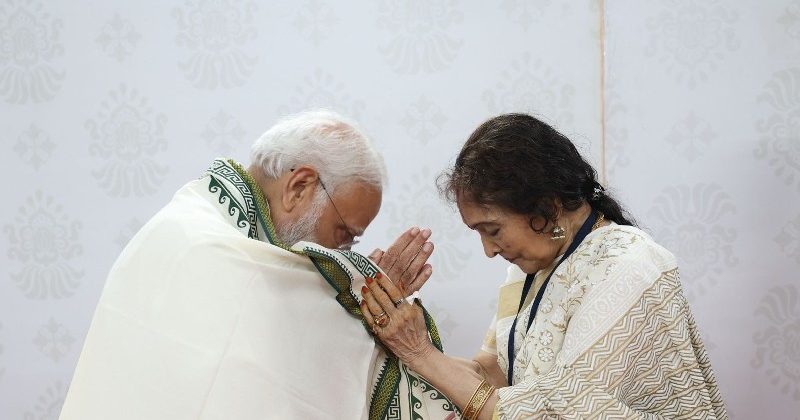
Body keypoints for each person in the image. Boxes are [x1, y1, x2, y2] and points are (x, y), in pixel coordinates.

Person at [59, 109, 453, 419]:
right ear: (300, 186)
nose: (345, 252)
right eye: (343, 232)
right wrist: (368, 301)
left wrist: (362, 295)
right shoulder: (207, 247)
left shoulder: (187, 227)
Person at [361, 113, 728, 419]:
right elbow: (490, 372)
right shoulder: (524, 274)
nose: (489, 250)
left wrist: (420, 354)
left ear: (546, 205)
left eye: (492, 230)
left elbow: (559, 411)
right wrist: (403, 333)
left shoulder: (630, 267)